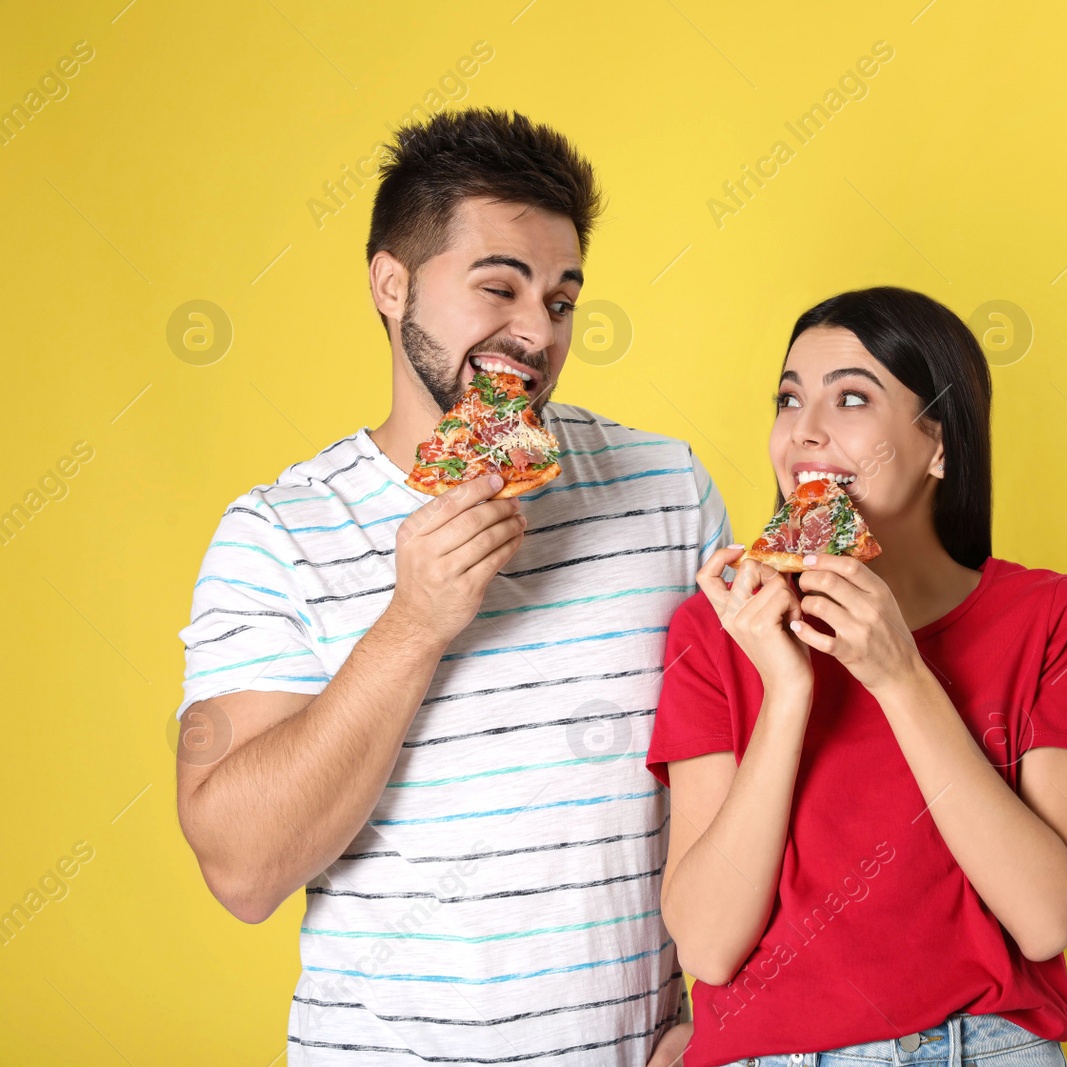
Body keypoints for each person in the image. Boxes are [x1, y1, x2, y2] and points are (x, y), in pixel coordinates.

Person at [174, 107, 721, 1065]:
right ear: (392, 284)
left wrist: (716, 1019)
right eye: (497, 287)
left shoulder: (666, 489)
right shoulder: (274, 534)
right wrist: (412, 623)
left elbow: (759, 785)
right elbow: (243, 869)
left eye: (559, 300)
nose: (534, 334)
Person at [645, 287, 1067, 1065]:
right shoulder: (716, 631)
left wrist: (901, 678)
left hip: (975, 1047)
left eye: (851, 398)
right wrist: (788, 690)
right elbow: (707, 945)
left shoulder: (1052, 619)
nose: (804, 431)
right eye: (788, 397)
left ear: (939, 446)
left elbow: (1045, 917)